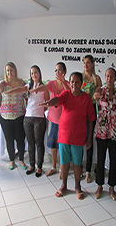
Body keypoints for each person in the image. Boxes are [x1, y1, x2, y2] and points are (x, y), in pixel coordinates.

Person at [39, 72, 96, 200]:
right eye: (72, 82)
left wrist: (89, 138)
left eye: (77, 82)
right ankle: (64, 185)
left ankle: (77, 187)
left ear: (82, 84)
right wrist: (48, 103)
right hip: (64, 135)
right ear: (69, 83)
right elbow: (57, 100)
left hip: (78, 137)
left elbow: (91, 119)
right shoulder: (66, 94)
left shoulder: (86, 98)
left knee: (77, 164)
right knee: (64, 163)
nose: (74, 84)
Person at [5, 65, 49, 177]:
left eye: (36, 72)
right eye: (32, 73)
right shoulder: (28, 86)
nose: (34, 75)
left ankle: (39, 166)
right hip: (28, 118)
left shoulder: (44, 86)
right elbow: (20, 90)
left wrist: (43, 106)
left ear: (39, 73)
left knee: (39, 143)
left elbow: (48, 102)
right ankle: (32, 165)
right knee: (30, 143)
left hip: (39, 118)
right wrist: (11, 91)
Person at [29, 62, 70, 178]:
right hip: (52, 118)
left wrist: (63, 82)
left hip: (63, 119)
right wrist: (36, 89)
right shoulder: (51, 83)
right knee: (53, 144)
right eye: (56, 70)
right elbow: (45, 87)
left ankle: (62, 167)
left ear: (65, 71)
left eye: (60, 70)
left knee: (62, 144)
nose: (58, 72)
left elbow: (69, 94)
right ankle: (53, 167)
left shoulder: (67, 84)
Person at [0, 62, 27, 170]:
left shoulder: (21, 83)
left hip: (19, 115)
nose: (9, 72)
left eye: (11, 70)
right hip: (5, 117)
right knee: (9, 140)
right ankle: (12, 160)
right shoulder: (3, 84)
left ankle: (21, 159)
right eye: (7, 70)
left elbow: (26, 96)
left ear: (15, 71)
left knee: (20, 139)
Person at [93, 68, 116, 200]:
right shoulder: (100, 92)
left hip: (115, 132)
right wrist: (95, 94)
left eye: (111, 76)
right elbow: (95, 96)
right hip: (101, 131)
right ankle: (99, 186)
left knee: (113, 160)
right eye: (107, 76)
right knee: (100, 160)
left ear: (115, 78)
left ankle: (112, 187)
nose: (109, 78)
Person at [81, 54, 102, 183]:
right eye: (84, 62)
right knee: (79, 141)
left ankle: (88, 170)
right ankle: (80, 167)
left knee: (89, 141)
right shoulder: (80, 77)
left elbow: (100, 95)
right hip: (80, 111)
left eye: (88, 62)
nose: (86, 65)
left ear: (93, 64)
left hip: (92, 112)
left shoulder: (96, 79)